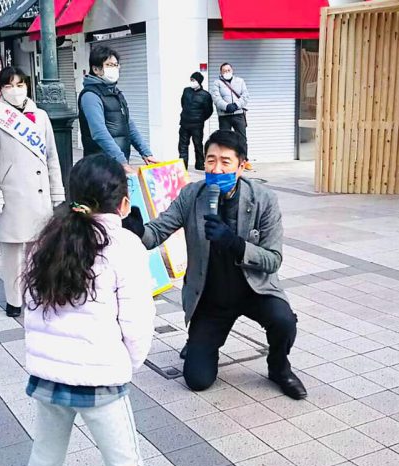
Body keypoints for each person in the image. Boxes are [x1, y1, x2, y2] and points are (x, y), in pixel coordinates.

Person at [20, 154, 194, 466]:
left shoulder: (43, 241)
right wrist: (124, 367)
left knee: (44, 458)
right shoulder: (125, 246)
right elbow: (137, 325)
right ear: (122, 203)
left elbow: (30, 312)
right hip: (100, 380)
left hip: (48, 377)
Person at [123, 130, 307, 401]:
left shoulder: (263, 199)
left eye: (225, 162)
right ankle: (200, 341)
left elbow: (273, 260)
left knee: (284, 321)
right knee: (197, 379)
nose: (216, 168)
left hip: (254, 290)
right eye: (211, 160)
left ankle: (279, 367)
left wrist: (235, 243)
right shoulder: (192, 195)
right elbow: (158, 231)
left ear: (241, 166)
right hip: (211, 297)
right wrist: (138, 231)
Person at [0, 66, 65, 318]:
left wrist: (57, 192)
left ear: (28, 86)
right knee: (13, 251)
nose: (15, 90)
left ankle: (39, 292)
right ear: (0, 89)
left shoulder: (41, 116)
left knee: (40, 248)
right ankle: (14, 300)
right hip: (12, 195)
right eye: (9, 85)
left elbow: (52, 157)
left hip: (39, 194)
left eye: (20, 85)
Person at [78, 45, 158, 174]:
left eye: (116, 65)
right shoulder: (90, 96)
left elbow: (129, 125)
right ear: (96, 69)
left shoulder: (116, 93)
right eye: (109, 65)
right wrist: (121, 161)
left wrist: (146, 153)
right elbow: (99, 132)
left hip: (117, 165)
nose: (114, 69)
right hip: (99, 167)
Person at [211, 63, 252, 171]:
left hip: (238, 114)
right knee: (225, 139)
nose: (227, 72)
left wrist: (236, 105)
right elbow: (216, 98)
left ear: (232, 70)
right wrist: (226, 106)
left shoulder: (240, 81)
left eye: (228, 70)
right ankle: (225, 161)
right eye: (224, 71)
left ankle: (244, 160)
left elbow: (245, 96)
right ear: (221, 72)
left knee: (242, 138)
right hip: (224, 115)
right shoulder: (217, 83)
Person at [178, 71, 213, 171]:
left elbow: (209, 111)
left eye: (193, 80)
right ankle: (183, 166)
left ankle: (200, 164)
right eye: (191, 80)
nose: (192, 82)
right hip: (184, 123)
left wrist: (200, 118)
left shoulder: (205, 95)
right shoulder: (186, 91)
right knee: (182, 146)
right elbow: (183, 103)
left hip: (197, 125)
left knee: (198, 145)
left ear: (199, 81)